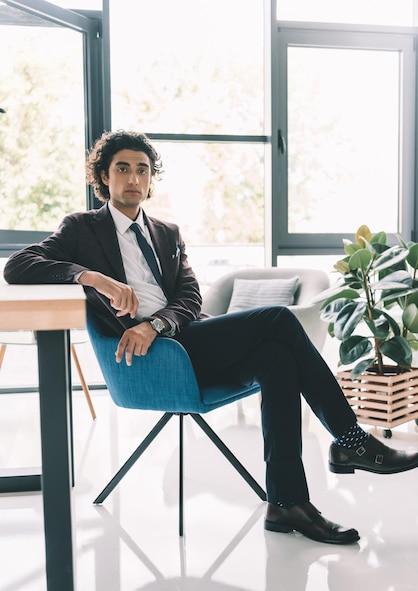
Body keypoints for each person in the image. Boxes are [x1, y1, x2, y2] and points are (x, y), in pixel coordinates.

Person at [4, 129, 418, 546]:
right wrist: (93, 278)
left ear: (151, 180)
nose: (133, 178)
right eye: (122, 169)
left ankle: (288, 503)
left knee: (277, 357)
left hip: (180, 335)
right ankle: (350, 442)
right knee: (278, 321)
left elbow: (190, 295)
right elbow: (20, 265)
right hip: (155, 359)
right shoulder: (81, 229)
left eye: (142, 170)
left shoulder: (167, 232)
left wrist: (157, 324)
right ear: (104, 177)